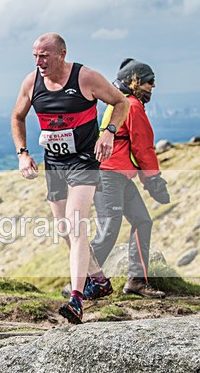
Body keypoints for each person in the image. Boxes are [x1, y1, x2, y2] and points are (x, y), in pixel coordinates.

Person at [11, 32, 129, 324]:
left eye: (44, 56)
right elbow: (17, 117)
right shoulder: (31, 82)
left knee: (77, 226)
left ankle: (76, 298)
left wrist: (108, 133)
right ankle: (98, 280)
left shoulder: (85, 78)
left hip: (84, 161)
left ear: (61, 54)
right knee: (65, 229)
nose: (39, 61)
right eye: (35, 56)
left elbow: (121, 102)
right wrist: (22, 153)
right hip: (54, 163)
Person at [90, 59, 169, 299]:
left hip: (119, 176)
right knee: (109, 228)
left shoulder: (125, 104)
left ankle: (136, 281)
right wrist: (154, 181)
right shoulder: (132, 106)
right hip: (109, 175)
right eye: (148, 82)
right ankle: (80, 282)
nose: (152, 87)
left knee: (142, 221)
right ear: (133, 82)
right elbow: (143, 149)